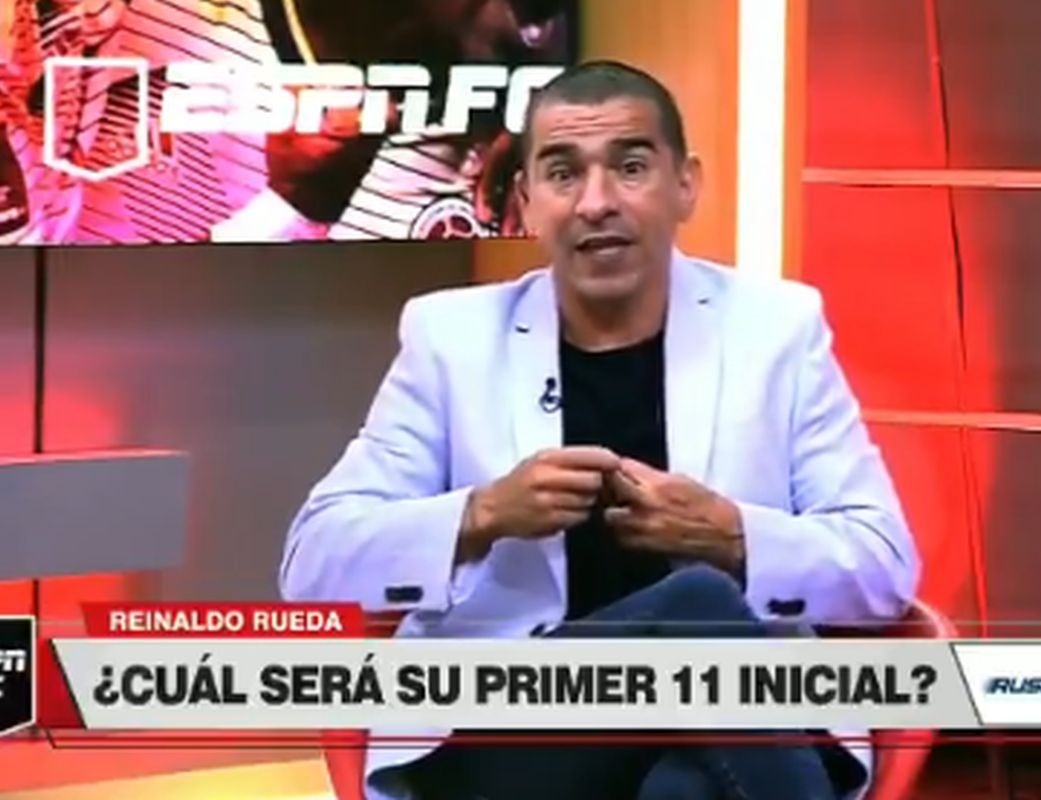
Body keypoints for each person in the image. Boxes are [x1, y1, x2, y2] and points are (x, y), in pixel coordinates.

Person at [280, 60, 920, 800]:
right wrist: (481, 515)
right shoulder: (451, 340)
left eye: (631, 167)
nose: (597, 202)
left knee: (684, 788)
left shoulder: (776, 331)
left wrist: (734, 537)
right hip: (518, 727)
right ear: (525, 201)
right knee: (695, 608)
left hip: (732, 721)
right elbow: (313, 563)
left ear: (685, 185)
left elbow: (883, 568)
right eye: (563, 173)